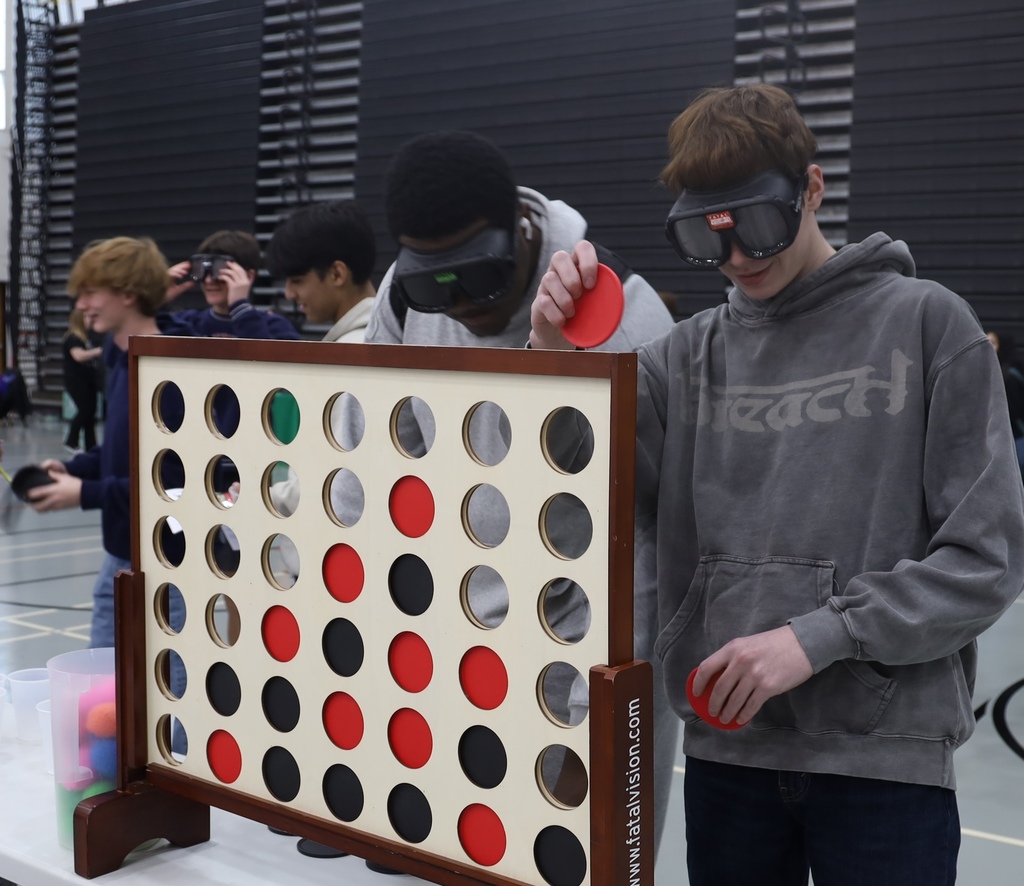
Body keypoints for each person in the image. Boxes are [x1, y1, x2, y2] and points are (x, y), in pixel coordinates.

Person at [529, 83, 1024, 886]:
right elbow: (581, 499)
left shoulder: (930, 326)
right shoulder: (680, 360)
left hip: (884, 762)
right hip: (729, 752)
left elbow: (986, 558)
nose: (738, 258)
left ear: (813, 188)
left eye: (758, 225)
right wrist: (551, 352)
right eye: (707, 238)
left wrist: (817, 637)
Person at [365, 130, 679, 856]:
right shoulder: (404, 300)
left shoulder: (626, 323)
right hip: (447, 647)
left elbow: (649, 550)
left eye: (478, 276)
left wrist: (586, 734)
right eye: (431, 282)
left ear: (525, 231)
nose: (459, 307)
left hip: (572, 652)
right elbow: (370, 471)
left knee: (571, 858)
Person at [26, 237, 192, 649]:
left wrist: (85, 493)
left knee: (170, 693)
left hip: (165, 564)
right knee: (103, 686)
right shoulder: (120, 357)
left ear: (128, 293)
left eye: (90, 293)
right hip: (119, 555)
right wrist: (76, 468)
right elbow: (124, 449)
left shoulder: (168, 374)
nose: (82, 305)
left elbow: (172, 484)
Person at [167, 230, 299, 342]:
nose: (208, 280)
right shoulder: (187, 322)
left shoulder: (275, 326)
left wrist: (241, 308)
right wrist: (157, 298)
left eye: (219, 270)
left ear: (248, 276)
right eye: (202, 271)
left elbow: (271, 367)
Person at [62, 308, 103, 453]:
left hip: (88, 380)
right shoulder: (73, 338)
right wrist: (98, 351)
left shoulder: (85, 338)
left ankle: (91, 446)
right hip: (77, 381)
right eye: (85, 317)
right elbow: (78, 356)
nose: (89, 319)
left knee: (91, 413)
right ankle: (71, 441)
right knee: (85, 410)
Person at [986, 330, 1024, 475]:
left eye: (993, 343)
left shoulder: (1009, 376)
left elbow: (1014, 412)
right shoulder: (997, 371)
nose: (988, 347)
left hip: (1014, 438)